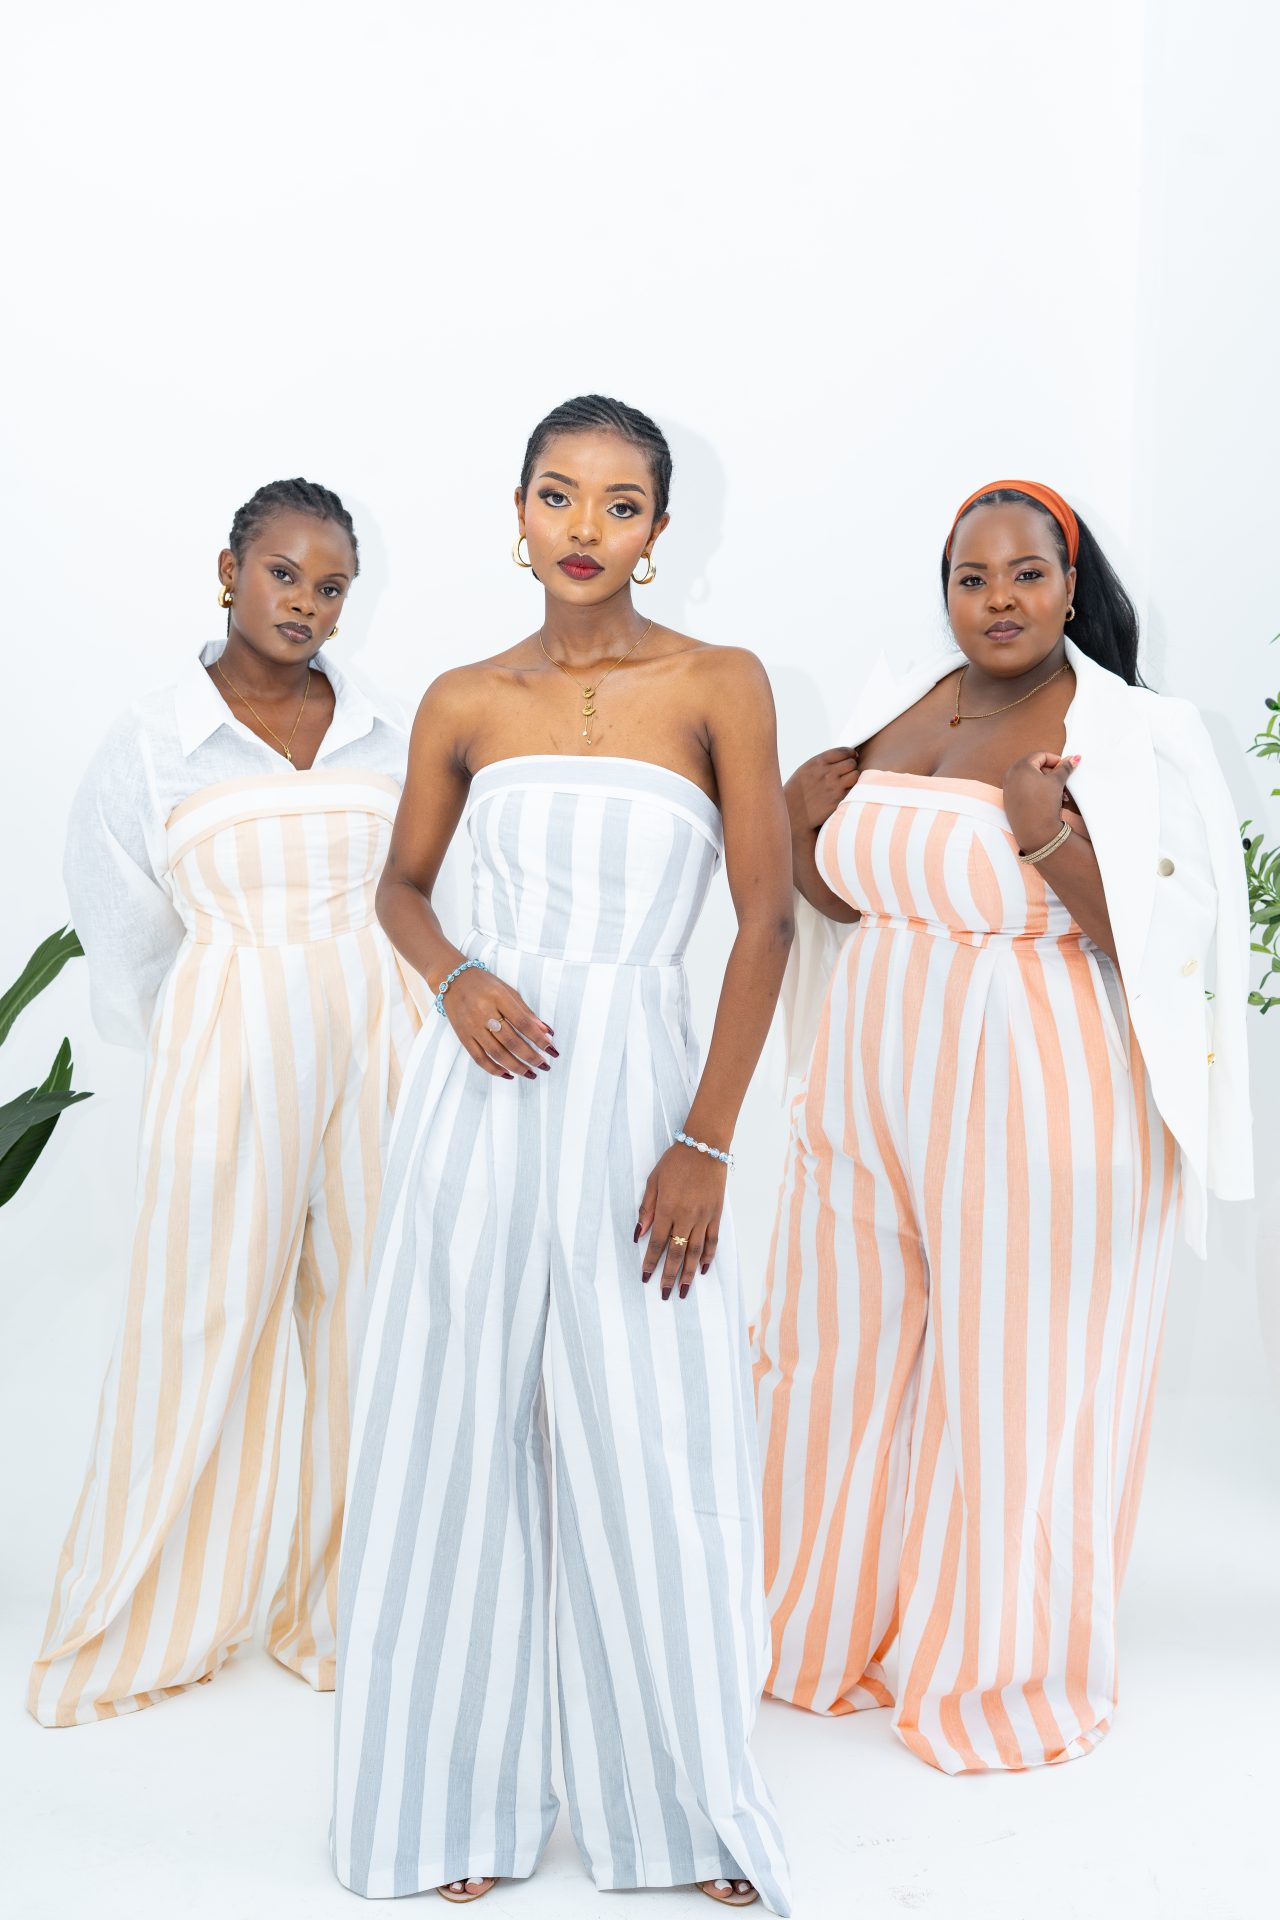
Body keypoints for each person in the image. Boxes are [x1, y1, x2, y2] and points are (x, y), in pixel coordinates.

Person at [331, 396, 793, 1912]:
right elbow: (401, 889)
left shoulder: (718, 683)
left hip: (645, 1107)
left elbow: (765, 921)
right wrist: (455, 976)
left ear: (659, 531)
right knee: (447, 1438)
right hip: (480, 1096)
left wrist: (704, 1137)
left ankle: (682, 1817)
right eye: (557, 494)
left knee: (656, 1449)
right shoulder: (465, 698)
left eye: (619, 503)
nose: (584, 528)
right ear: (518, 511)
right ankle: (443, 1815)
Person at [752, 480, 1251, 1774]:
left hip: (1038, 1094)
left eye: (1026, 574)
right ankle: (817, 1636)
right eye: (971, 579)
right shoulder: (898, 706)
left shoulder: (1129, 735)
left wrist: (1048, 846)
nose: (998, 600)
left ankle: (999, 1679)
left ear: (1071, 585)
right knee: (828, 1360)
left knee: (1015, 1382)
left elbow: (1167, 946)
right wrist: (805, 829)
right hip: (869, 1085)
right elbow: (851, 900)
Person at [29, 479, 425, 1727]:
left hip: (379, 1035)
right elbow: (123, 929)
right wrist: (213, 1036)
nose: (305, 602)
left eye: (331, 585)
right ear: (228, 571)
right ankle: (149, 1621)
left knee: (376, 1318)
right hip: (228, 1040)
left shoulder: (383, 728)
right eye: (282, 573)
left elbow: (422, 885)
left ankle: (349, 1607)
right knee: (199, 1319)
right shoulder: (154, 739)